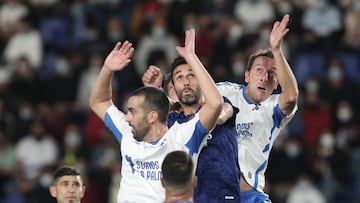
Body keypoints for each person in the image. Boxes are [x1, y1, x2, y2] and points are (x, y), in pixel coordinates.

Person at [89, 28, 222, 202]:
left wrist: (191, 58)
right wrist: (107, 69)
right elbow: (98, 102)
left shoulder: (183, 137)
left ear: (152, 117)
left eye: (132, 112)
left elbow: (215, 104)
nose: (127, 118)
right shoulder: (127, 133)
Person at [216, 14, 299, 202]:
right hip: (211, 190)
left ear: (277, 83)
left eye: (272, 74)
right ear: (247, 76)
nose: (264, 77)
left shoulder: (273, 108)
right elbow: (189, 100)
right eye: (259, 70)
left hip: (249, 195)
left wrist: (277, 51)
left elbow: (292, 96)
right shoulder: (224, 91)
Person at [142, 53, 241, 202]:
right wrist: (154, 91)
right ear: (174, 88)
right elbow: (149, 133)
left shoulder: (222, 105)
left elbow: (220, 115)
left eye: (191, 75)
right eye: (179, 78)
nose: (186, 82)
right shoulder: (172, 121)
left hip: (223, 197)